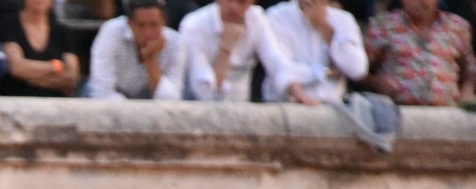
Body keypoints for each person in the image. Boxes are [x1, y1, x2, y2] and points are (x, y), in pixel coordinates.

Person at [179, 0, 310, 102]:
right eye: (229, 0)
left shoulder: (257, 18)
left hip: (241, 108)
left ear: (252, 2)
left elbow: (275, 60)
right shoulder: (193, 25)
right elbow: (204, 94)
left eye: (242, 2)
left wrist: (297, 92)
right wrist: (226, 49)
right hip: (196, 109)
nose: (234, 7)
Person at [364, 0, 476, 106]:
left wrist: (467, 95)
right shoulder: (383, 25)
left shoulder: (457, 26)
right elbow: (358, 72)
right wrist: (377, 82)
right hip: (399, 112)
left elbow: (470, 71)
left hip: (446, 113)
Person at [263, 0, 367, 103]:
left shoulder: (344, 19)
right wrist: (326, 72)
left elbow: (357, 70)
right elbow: (282, 69)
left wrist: (324, 27)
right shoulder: (276, 15)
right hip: (286, 106)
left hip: (333, 108)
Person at [86, 0, 187, 100]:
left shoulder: (176, 43)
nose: (148, 33)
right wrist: (135, 112)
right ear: (130, 24)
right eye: (141, 25)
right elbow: (101, 91)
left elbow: (171, 100)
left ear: (164, 23)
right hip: (115, 100)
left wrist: (150, 60)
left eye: (154, 24)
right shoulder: (111, 32)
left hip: (150, 103)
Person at [0, 0, 80, 97]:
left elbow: (71, 78)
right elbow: (16, 68)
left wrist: (29, 78)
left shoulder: (62, 32)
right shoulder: (8, 24)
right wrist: (56, 66)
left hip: (54, 103)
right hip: (14, 100)